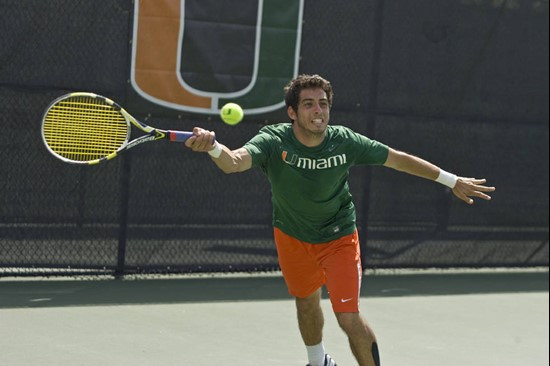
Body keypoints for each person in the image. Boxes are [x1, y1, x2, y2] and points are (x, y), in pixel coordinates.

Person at [184, 74, 495, 366]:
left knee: (347, 316)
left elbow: (398, 159)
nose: (318, 110)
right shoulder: (273, 140)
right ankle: (318, 362)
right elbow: (234, 162)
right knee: (306, 302)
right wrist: (212, 146)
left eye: (323, 103)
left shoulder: (345, 141)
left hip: (338, 238)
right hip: (292, 237)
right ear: (292, 113)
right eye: (308, 104)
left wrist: (452, 180)